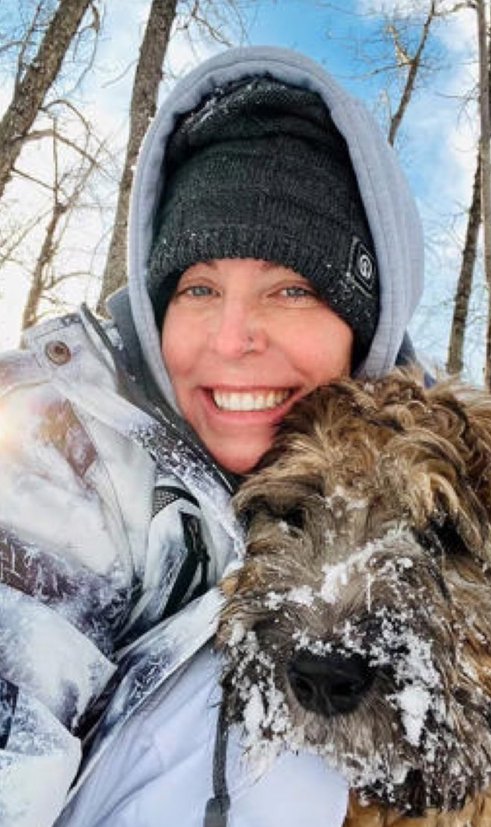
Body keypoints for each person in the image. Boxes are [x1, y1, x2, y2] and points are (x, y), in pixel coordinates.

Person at [0, 46, 424, 825]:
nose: (232, 338)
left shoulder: (434, 491)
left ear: (367, 328)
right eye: (198, 287)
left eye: (291, 287)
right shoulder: (56, 450)